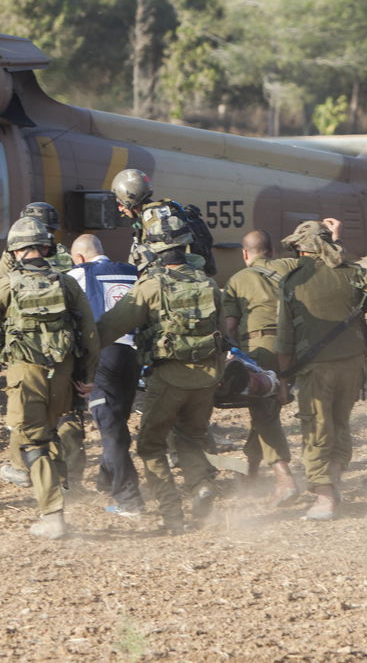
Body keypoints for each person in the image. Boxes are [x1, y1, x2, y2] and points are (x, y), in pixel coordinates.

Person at [0, 217, 100, 539]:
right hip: (63, 373)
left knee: (33, 443)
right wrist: (87, 376)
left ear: (15, 251)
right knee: (52, 430)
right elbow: (89, 333)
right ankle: (60, 486)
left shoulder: (7, 284)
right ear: (46, 249)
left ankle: (52, 515)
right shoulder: (66, 283)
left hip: (25, 374)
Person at [96, 213, 227, 534]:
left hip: (169, 378)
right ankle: (200, 485)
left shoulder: (151, 285)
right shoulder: (208, 283)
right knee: (191, 437)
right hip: (208, 377)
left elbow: (112, 326)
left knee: (151, 446)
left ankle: (172, 515)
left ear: (152, 248)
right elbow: (224, 334)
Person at [274, 220, 367, 521]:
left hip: (316, 369)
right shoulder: (352, 271)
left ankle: (325, 499)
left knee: (316, 429)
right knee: (340, 424)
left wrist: (284, 380)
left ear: (302, 249)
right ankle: (335, 479)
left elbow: (285, 339)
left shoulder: (293, 281)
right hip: (353, 364)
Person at [0, 202, 78, 489]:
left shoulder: (12, 258)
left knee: (23, 410)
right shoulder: (65, 257)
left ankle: (22, 466)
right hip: (65, 345)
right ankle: (68, 469)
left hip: (26, 347)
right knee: (67, 410)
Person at [67, 233, 145, 517]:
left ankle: (129, 499)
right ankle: (106, 478)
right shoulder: (133, 272)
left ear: (79, 257)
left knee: (110, 428)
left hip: (104, 355)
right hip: (133, 355)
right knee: (117, 420)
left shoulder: (79, 273)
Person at [222, 229, 299, 506]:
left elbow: (230, 326)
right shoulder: (289, 267)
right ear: (272, 251)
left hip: (260, 349)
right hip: (294, 348)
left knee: (263, 413)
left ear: (245, 254)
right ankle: (250, 473)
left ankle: (284, 478)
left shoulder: (237, 280)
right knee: (267, 410)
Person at [109, 168, 213, 274]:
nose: (120, 209)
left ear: (130, 200)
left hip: (174, 277)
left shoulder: (154, 219)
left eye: (120, 204)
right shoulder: (161, 213)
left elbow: (170, 260)